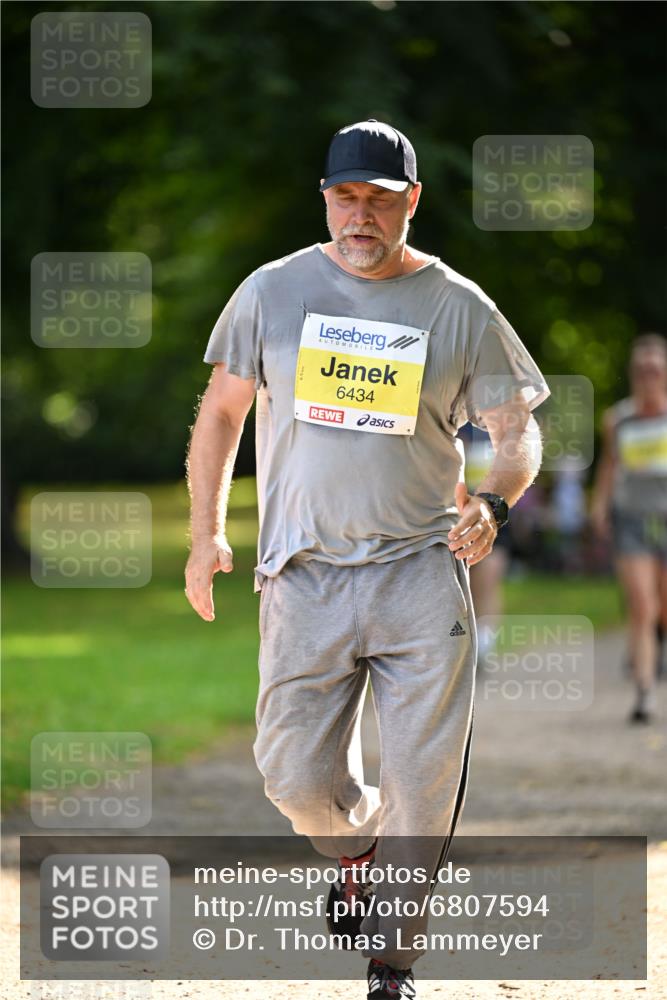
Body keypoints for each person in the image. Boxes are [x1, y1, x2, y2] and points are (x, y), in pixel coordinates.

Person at [185, 119, 549, 999]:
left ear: (410, 203)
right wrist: (204, 533)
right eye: (346, 197)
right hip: (303, 573)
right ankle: (354, 846)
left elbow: (516, 431)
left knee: (423, 786)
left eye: (380, 200)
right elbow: (221, 414)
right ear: (325, 199)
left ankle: (394, 962)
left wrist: (495, 499)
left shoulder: (458, 306)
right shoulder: (272, 292)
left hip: (421, 570)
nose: (362, 216)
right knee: (296, 781)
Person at [591, 333, 667, 724]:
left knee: (662, 609)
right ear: (633, 374)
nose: (649, 376)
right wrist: (599, 506)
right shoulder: (618, 419)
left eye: (656, 369)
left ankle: (654, 650)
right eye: (642, 369)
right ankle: (644, 692)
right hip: (633, 520)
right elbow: (610, 466)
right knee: (642, 605)